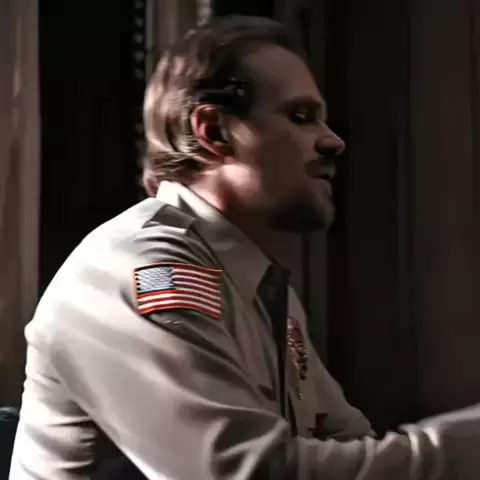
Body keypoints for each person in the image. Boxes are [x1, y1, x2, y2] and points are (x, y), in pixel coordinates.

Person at [9, 15, 480, 480]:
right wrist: (462, 448)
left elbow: (346, 443)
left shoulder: (260, 287)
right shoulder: (137, 269)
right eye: (300, 117)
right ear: (214, 132)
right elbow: (242, 473)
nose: (333, 141)